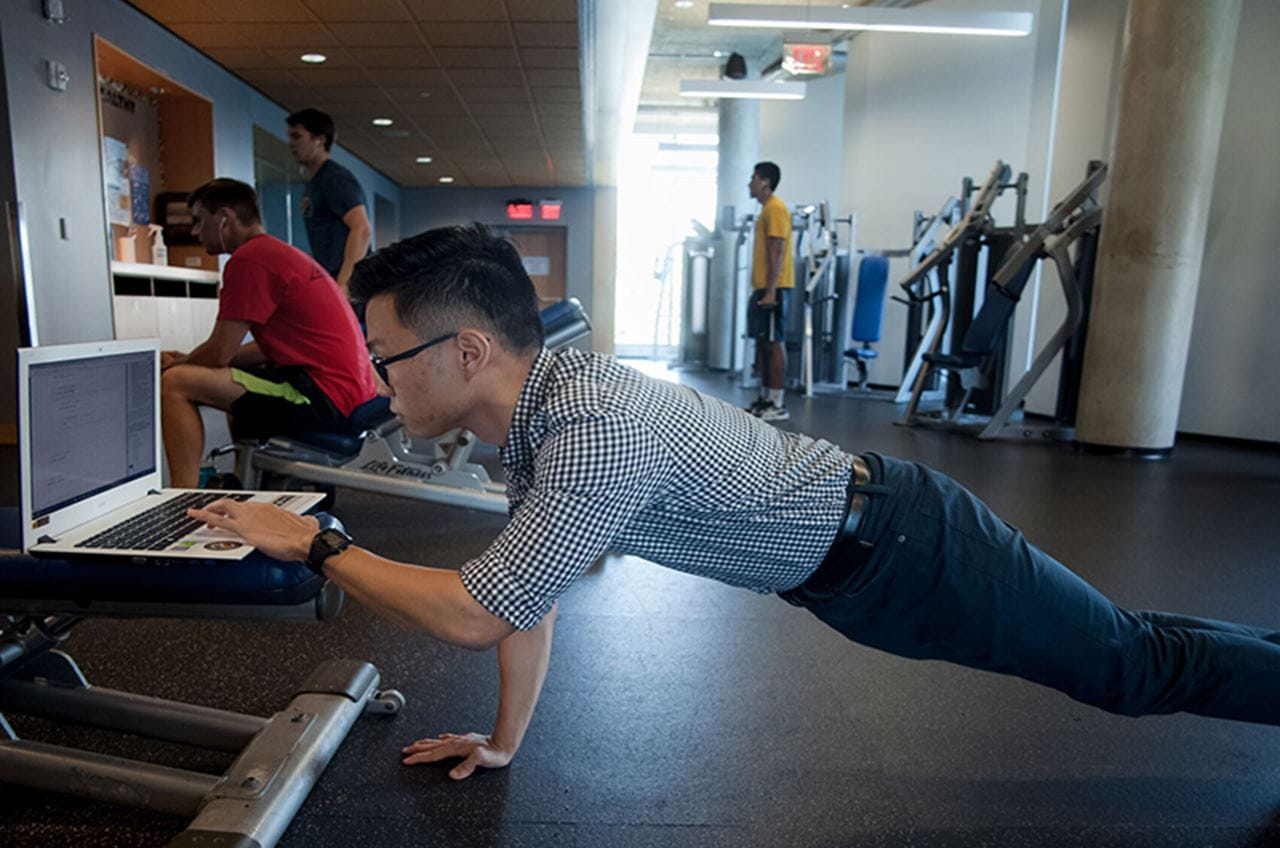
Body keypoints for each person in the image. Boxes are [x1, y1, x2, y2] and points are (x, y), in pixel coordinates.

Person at [190, 223, 1279, 782]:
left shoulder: (589, 425)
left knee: (1130, 669)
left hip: (910, 549)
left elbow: (478, 607)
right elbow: (527, 594)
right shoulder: (538, 419)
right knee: (1133, 649)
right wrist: (506, 739)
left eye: (389, 357)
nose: (378, 380)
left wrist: (319, 541)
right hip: (869, 568)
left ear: (466, 347)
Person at [161, 179, 377, 488]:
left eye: (198, 221)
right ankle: (245, 483)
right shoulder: (279, 253)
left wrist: (179, 364)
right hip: (344, 391)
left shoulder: (248, 260)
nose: (194, 232)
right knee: (233, 374)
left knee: (175, 383)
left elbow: (220, 351)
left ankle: (183, 496)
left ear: (224, 217)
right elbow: (261, 350)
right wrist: (192, 359)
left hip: (324, 396)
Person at [286, 108, 372, 296]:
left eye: (297, 137)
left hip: (348, 282)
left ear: (320, 140)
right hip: (330, 276)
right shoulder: (315, 182)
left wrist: (344, 282)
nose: (291, 144)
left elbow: (362, 229)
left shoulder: (334, 178)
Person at [745, 161, 795, 422]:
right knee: (763, 343)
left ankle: (777, 402)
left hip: (774, 288)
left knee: (774, 344)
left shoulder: (776, 209)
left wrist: (772, 291)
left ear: (765, 181)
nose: (749, 183)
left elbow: (777, 250)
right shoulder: (766, 210)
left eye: (753, 178)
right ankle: (766, 397)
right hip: (764, 286)